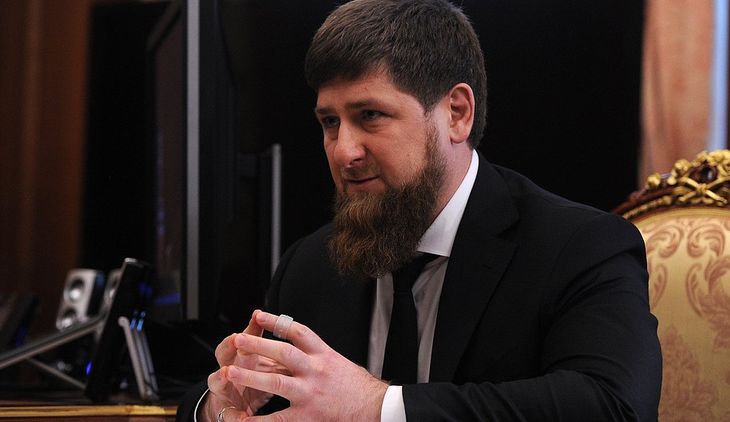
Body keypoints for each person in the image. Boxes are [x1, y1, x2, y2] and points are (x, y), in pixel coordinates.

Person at [180, 0, 662, 420]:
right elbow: (215, 399)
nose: (343, 151)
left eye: (370, 115)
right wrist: (220, 404)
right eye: (330, 122)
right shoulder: (310, 266)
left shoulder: (580, 247)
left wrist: (377, 407)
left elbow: (613, 405)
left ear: (457, 113)